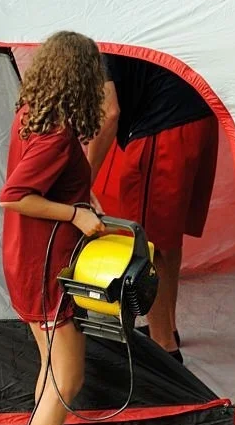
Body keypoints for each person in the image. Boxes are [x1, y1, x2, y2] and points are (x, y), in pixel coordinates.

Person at [0, 31, 108, 425]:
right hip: (45, 269)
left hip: (26, 259)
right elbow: (15, 195)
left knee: (49, 366)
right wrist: (75, 215)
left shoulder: (33, 115)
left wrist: (82, 199)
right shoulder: (58, 132)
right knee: (68, 374)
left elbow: (50, 180)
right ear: (82, 79)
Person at [86, 54, 218, 364]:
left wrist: (82, 180)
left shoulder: (101, 39)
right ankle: (168, 329)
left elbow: (109, 113)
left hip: (164, 129)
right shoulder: (132, 14)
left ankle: (164, 351)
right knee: (167, 237)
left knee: (148, 243)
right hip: (198, 116)